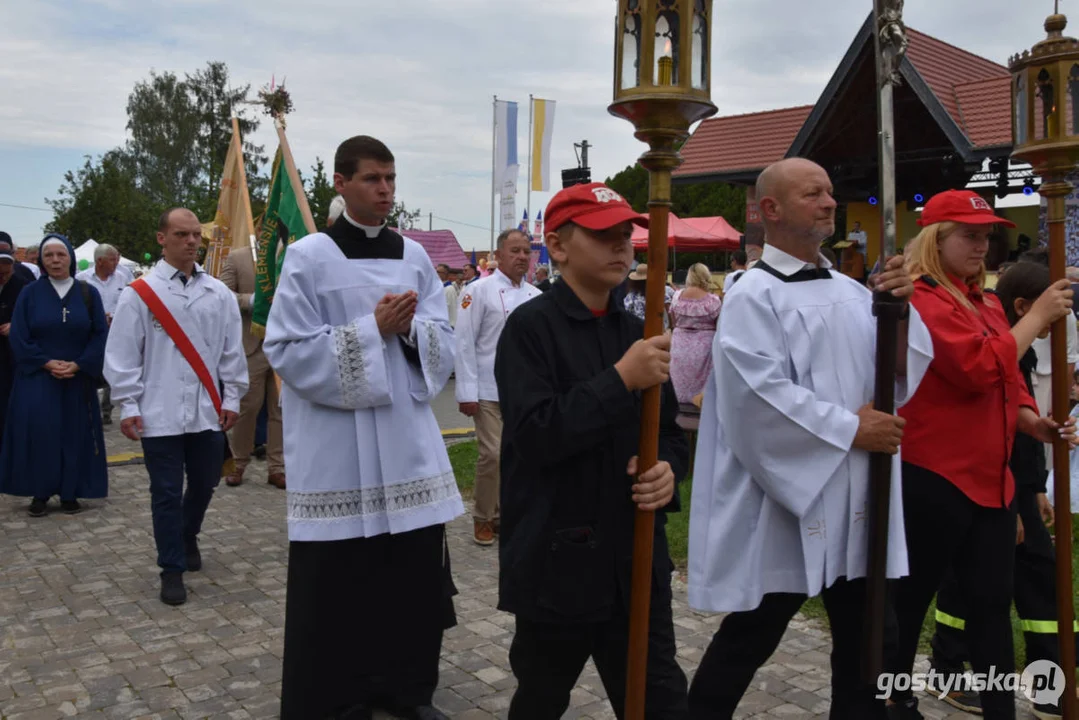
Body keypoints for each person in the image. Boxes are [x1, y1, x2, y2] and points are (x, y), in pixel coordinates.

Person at [687, 158, 934, 719]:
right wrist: (851, 428)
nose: (829, 202)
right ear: (770, 209)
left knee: (871, 639)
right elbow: (758, 396)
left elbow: (897, 369)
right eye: (812, 194)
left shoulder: (851, 291)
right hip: (790, 499)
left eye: (829, 191)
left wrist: (900, 310)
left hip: (858, 494)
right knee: (752, 634)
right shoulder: (753, 295)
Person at [264, 135, 463, 720]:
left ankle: (409, 691)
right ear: (341, 183)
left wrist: (407, 333)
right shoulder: (309, 256)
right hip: (337, 453)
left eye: (391, 179)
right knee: (338, 588)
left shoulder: (415, 257)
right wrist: (368, 331)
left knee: (411, 583)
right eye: (373, 179)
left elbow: (443, 344)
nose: (385, 190)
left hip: (405, 444)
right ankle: (337, 696)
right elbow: (287, 349)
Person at [495, 182, 690, 718]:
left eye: (626, 235)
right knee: (541, 696)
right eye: (604, 235)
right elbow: (535, 434)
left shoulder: (640, 328)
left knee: (661, 699)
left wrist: (668, 469)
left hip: (636, 557)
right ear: (557, 247)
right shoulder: (529, 329)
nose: (622, 247)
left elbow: (670, 431)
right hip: (559, 558)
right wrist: (620, 379)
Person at [885, 190, 1075, 720]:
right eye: (970, 234)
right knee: (909, 602)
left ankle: (999, 712)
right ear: (936, 238)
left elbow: (1007, 380)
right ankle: (893, 700)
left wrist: (1032, 421)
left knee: (992, 610)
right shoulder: (922, 300)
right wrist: (1037, 316)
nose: (982, 244)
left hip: (992, 482)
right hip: (933, 478)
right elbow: (976, 368)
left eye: (987, 234)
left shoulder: (987, 301)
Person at [927, 261, 1077, 718]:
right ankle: (948, 668)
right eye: (1050, 316)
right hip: (980, 484)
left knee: (1037, 578)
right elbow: (991, 425)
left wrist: (1032, 490)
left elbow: (1021, 425)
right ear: (1023, 308)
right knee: (968, 582)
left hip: (1013, 483)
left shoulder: (1023, 349)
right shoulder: (997, 343)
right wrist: (1009, 503)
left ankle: (1049, 681)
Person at [104, 208, 247, 606]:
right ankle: (171, 567)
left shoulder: (218, 293)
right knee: (165, 492)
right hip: (158, 412)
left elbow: (230, 352)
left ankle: (188, 533)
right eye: (181, 234)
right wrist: (128, 404)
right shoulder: (139, 293)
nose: (190, 241)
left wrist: (233, 395)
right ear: (161, 239)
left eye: (195, 235)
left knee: (205, 482)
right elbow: (122, 355)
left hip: (206, 410)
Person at [0, 234, 109, 517]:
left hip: (77, 378)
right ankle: (40, 491)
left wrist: (78, 364)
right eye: (49, 256)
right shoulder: (30, 293)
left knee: (74, 434)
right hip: (38, 378)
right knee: (41, 433)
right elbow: (20, 336)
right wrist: (46, 363)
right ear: (41, 261)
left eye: (61, 255)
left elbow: (99, 334)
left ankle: (71, 491)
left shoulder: (88, 293)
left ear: (70, 258)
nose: (56, 260)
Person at [455, 228, 540, 546]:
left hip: (524, 390)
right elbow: (463, 342)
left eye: (526, 252)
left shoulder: (536, 296)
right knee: (492, 453)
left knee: (517, 454)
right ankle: (483, 516)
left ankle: (507, 514)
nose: (521, 257)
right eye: (515, 251)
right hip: (487, 387)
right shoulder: (478, 291)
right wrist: (466, 391)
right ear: (499, 254)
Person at [219, 247, 285, 489]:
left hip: (283, 342)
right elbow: (223, 294)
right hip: (251, 344)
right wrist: (251, 300)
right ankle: (238, 463)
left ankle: (277, 467)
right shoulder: (238, 257)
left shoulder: (289, 253)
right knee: (247, 407)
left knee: (280, 410)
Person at [76, 243, 131, 425]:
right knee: (92, 368)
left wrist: (114, 316)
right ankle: (89, 406)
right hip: (91, 333)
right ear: (100, 261)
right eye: (113, 259)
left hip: (116, 331)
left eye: (117, 259)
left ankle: (106, 410)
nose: (116, 263)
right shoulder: (82, 280)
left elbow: (129, 303)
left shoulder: (123, 278)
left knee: (113, 369)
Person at [669, 263, 721, 404]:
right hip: (705, 347)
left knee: (679, 377)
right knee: (702, 383)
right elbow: (719, 327)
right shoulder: (713, 301)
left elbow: (673, 322)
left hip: (679, 343)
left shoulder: (676, 297)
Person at [0, 250, 28, 445]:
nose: (3, 276)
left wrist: (16, 325)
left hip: (13, 352)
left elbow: (33, 317)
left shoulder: (23, 284)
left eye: (6, 272)